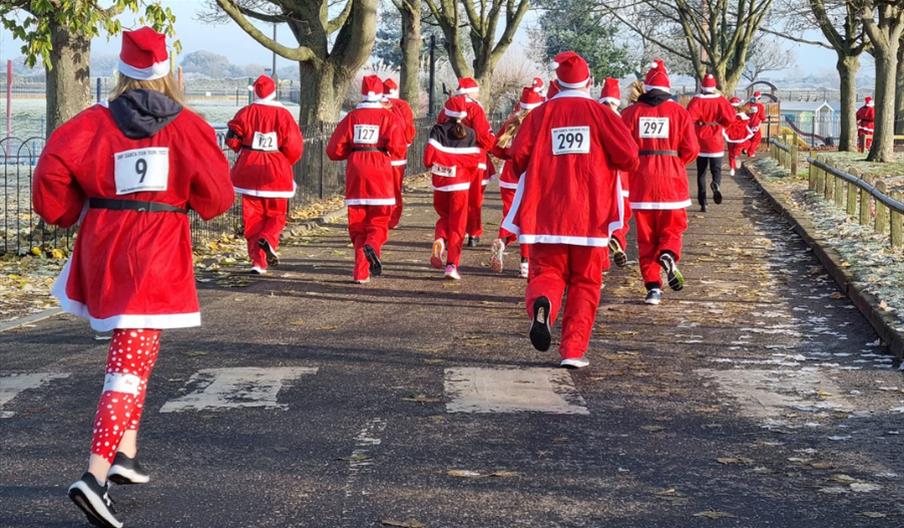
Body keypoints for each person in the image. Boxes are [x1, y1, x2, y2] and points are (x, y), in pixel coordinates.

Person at [31, 27, 233, 528]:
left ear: (121, 70)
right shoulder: (188, 126)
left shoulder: (89, 124)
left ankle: (126, 452)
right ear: (167, 71)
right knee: (128, 364)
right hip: (157, 255)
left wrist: (71, 210)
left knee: (135, 351)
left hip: (105, 250)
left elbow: (50, 180)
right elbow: (218, 198)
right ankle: (95, 476)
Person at [502, 52, 639, 369]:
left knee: (547, 273)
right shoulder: (600, 113)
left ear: (556, 83)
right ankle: (573, 351)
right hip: (591, 217)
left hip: (546, 214)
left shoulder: (540, 114)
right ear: (589, 83)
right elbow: (629, 157)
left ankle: (544, 305)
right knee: (585, 283)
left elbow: (517, 157)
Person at [621, 59, 700, 306]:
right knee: (673, 229)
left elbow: (622, 150)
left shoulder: (630, 113)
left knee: (645, 240)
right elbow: (691, 149)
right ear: (668, 89)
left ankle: (653, 288)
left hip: (640, 184)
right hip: (672, 182)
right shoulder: (679, 112)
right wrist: (675, 163)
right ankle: (668, 254)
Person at [326, 75, 406, 284]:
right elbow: (398, 149)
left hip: (356, 168)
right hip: (380, 167)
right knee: (379, 219)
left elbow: (333, 150)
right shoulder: (388, 117)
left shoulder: (352, 117)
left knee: (358, 221)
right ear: (381, 94)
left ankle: (360, 272)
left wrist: (351, 152)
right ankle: (373, 243)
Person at [225, 75, 303, 274]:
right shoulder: (284, 115)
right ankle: (268, 239)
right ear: (274, 90)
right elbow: (294, 146)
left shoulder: (245, 112)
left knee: (252, 218)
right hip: (275, 171)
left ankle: (257, 262)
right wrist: (285, 162)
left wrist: (243, 151)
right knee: (277, 215)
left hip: (248, 170)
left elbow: (232, 140)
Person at [424, 96, 483, 280]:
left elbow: (427, 160)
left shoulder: (437, 130)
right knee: (458, 225)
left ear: (446, 112)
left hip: (440, 184)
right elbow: (474, 163)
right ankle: (451, 265)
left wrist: (444, 162)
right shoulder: (471, 134)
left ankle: (440, 239)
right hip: (461, 185)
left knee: (444, 217)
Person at [489, 86, 543, 277]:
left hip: (508, 177)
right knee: (529, 220)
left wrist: (509, 156)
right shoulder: (539, 123)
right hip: (529, 177)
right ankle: (525, 263)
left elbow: (495, 148)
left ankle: (502, 241)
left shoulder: (512, 122)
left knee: (511, 216)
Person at [440, 77, 496, 247]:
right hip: (473, 158)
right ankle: (473, 232)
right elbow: (483, 135)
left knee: (453, 198)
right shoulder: (474, 108)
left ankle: (452, 231)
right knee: (474, 198)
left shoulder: (445, 109)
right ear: (471, 91)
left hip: (449, 158)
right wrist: (493, 145)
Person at [686, 73, 736, 212]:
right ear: (714, 87)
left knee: (701, 172)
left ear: (702, 86)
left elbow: (688, 118)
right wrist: (722, 125)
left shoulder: (696, 100)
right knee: (716, 169)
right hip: (716, 138)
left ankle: (703, 203)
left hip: (700, 138)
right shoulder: (721, 100)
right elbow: (731, 118)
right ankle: (716, 184)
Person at [598, 77, 631, 268]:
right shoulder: (624, 120)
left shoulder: (593, 118)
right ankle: (618, 238)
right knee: (622, 216)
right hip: (622, 178)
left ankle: (602, 259)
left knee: (600, 220)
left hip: (600, 180)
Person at [383, 78, 417, 229]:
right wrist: (406, 143)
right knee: (395, 188)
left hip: (379, 155)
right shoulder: (402, 105)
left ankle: (381, 216)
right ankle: (393, 218)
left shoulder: (378, 104)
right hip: (398, 155)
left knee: (381, 187)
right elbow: (409, 127)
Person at [724, 97, 755, 177]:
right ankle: (739, 154)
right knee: (745, 144)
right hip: (740, 136)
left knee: (731, 152)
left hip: (730, 135)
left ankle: (732, 167)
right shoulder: (743, 116)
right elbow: (747, 121)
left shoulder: (728, 114)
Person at [745, 91, 766, 157]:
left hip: (747, 124)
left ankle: (745, 148)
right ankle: (751, 152)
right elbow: (762, 117)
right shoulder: (760, 106)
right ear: (759, 98)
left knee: (748, 137)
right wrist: (763, 119)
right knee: (756, 139)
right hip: (755, 124)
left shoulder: (748, 104)